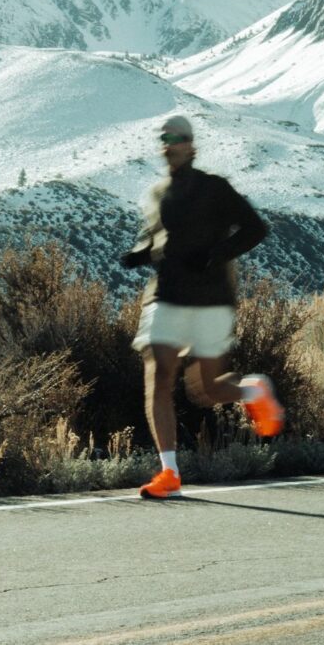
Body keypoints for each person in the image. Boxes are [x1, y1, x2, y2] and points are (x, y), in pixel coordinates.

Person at [121, 115, 284, 499]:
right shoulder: (156, 193)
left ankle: (253, 392)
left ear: (191, 146)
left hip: (211, 298)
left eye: (177, 137)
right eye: (164, 138)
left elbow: (256, 228)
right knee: (160, 374)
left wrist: (215, 256)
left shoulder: (215, 188)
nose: (170, 143)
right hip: (166, 296)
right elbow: (156, 240)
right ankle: (170, 473)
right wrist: (138, 254)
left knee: (207, 390)